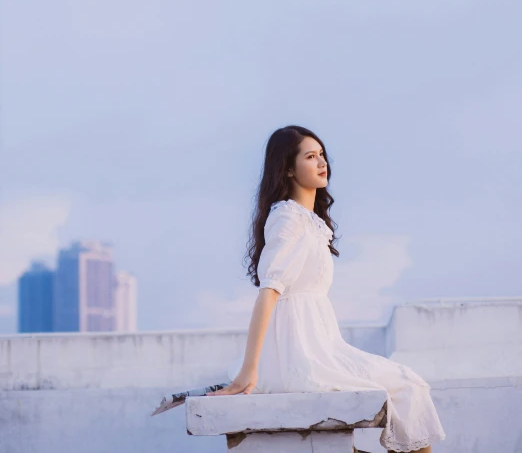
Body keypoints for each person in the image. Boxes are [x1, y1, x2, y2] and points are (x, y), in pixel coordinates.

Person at [160, 125, 447, 452]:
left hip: (320, 346)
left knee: (409, 386)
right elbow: (269, 292)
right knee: (407, 386)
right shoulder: (288, 218)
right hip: (298, 353)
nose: (322, 162)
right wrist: (248, 371)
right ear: (288, 168)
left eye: (322, 154)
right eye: (310, 156)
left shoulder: (310, 222)